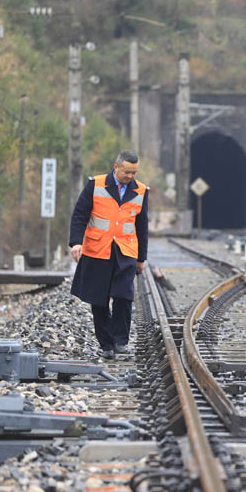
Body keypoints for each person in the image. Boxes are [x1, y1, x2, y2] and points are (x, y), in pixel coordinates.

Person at [69, 150, 149, 360]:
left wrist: (141, 258)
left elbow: (142, 227)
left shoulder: (140, 191)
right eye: (127, 172)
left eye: (134, 172)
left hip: (125, 251)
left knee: (124, 296)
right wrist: (76, 242)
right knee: (99, 300)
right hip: (98, 250)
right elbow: (80, 215)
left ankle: (120, 340)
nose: (131, 177)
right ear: (116, 167)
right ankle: (106, 345)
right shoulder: (95, 185)